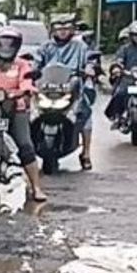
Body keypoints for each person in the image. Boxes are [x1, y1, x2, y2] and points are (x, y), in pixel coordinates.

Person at [0, 27, 47, 202]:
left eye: (11, 43)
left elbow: (27, 82)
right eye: (3, 43)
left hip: (15, 109)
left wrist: (24, 91)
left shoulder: (22, 65)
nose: (6, 47)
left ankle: (36, 187)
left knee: (25, 145)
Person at [34, 15, 95, 170]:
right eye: (59, 28)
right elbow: (36, 64)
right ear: (53, 30)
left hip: (73, 87)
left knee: (84, 113)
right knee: (32, 112)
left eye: (66, 28)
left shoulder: (80, 47)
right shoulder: (45, 47)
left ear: (72, 30)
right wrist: (31, 71)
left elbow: (90, 60)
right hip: (48, 87)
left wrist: (89, 68)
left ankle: (86, 153)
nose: (62, 32)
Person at [107, 19, 137, 125]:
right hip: (129, 79)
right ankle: (116, 116)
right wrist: (116, 68)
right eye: (135, 35)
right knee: (119, 93)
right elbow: (118, 60)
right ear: (131, 36)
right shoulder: (125, 49)